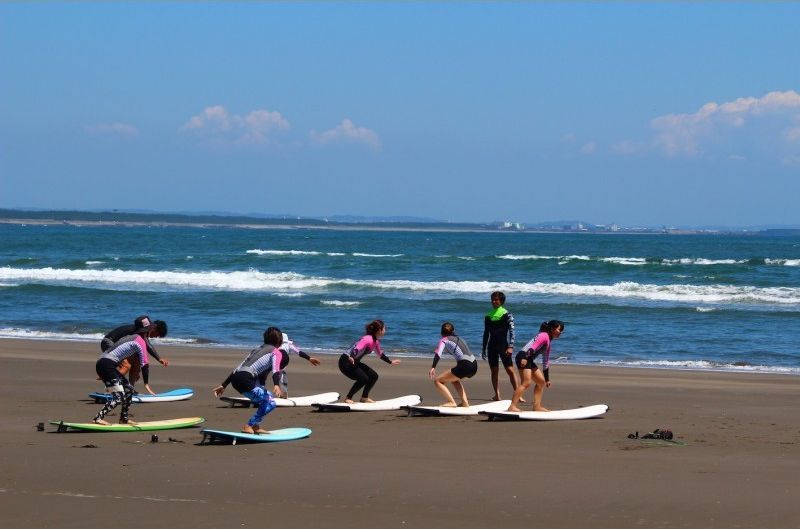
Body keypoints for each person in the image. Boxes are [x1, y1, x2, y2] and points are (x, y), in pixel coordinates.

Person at [213, 327, 286, 434]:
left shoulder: (256, 350)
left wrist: (224, 385)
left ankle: (256, 426)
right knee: (270, 402)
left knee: (265, 397)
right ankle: (249, 425)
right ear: (279, 342)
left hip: (237, 379)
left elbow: (237, 369)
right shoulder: (276, 352)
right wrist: (276, 385)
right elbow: (276, 370)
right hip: (246, 380)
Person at [92, 324, 154, 425]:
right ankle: (97, 418)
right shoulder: (140, 342)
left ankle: (123, 419)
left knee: (129, 389)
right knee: (118, 396)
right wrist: (146, 383)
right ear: (146, 333)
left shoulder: (130, 337)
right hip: (106, 364)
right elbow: (145, 364)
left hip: (103, 362)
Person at [508, 320, 564, 412]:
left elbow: (546, 361)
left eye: (562, 330)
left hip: (528, 358)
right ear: (552, 329)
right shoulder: (544, 336)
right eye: (559, 330)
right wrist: (525, 358)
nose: (560, 332)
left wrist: (547, 379)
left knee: (541, 382)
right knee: (526, 383)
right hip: (524, 356)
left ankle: (537, 407)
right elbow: (533, 347)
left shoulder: (548, 341)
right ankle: (512, 406)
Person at [338, 319, 400, 403]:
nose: (385, 331)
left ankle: (364, 397)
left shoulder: (375, 341)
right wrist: (352, 356)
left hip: (353, 362)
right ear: (379, 330)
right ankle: (348, 398)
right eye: (384, 328)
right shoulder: (367, 339)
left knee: (373, 376)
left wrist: (390, 362)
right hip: (345, 362)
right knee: (363, 378)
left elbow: (380, 354)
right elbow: (356, 348)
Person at [481, 291, 520, 401]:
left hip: (504, 346)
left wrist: (511, 346)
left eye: (496, 300)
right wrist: (483, 348)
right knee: (494, 371)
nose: (494, 301)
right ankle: (497, 394)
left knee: (510, 370)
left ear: (501, 301)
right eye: (492, 299)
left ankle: (518, 394)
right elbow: (486, 333)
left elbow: (512, 331)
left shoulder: (507, 314)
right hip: (491, 346)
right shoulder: (488, 316)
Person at [429, 322, 478, 407]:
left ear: (441, 332)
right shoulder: (461, 338)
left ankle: (451, 402)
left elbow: (438, 354)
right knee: (454, 379)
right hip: (474, 365)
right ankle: (465, 403)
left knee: (438, 381)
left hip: (465, 365)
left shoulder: (444, 340)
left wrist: (433, 367)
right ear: (453, 331)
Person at [101, 315, 169, 366]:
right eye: (157, 335)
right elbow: (148, 346)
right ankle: (110, 380)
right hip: (108, 342)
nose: (156, 337)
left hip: (112, 343)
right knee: (125, 365)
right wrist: (159, 359)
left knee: (134, 362)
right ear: (155, 329)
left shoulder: (142, 331)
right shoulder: (143, 332)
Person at [272, 329, 322, 396]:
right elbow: (299, 352)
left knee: (276, 372)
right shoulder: (289, 344)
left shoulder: (276, 345)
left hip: (278, 357)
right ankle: (283, 391)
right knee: (280, 373)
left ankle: (278, 390)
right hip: (285, 358)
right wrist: (309, 358)